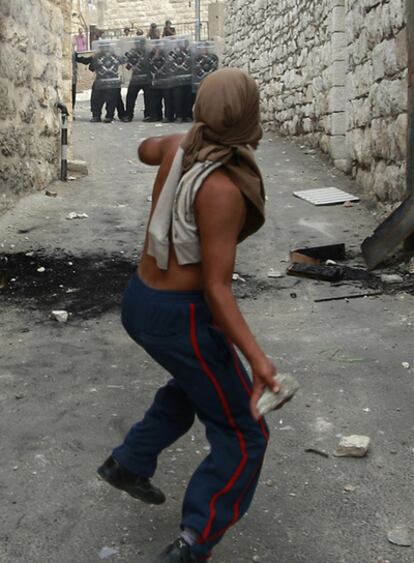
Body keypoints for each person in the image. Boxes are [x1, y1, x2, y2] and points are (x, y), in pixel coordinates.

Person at [97, 68, 281, 562]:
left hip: (141, 301)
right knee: (246, 433)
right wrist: (259, 361)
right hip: (178, 315)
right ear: (247, 115)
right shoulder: (221, 188)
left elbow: (144, 149)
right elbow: (217, 291)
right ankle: (194, 541)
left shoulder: (178, 144)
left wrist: (162, 146)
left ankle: (129, 462)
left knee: (197, 380)